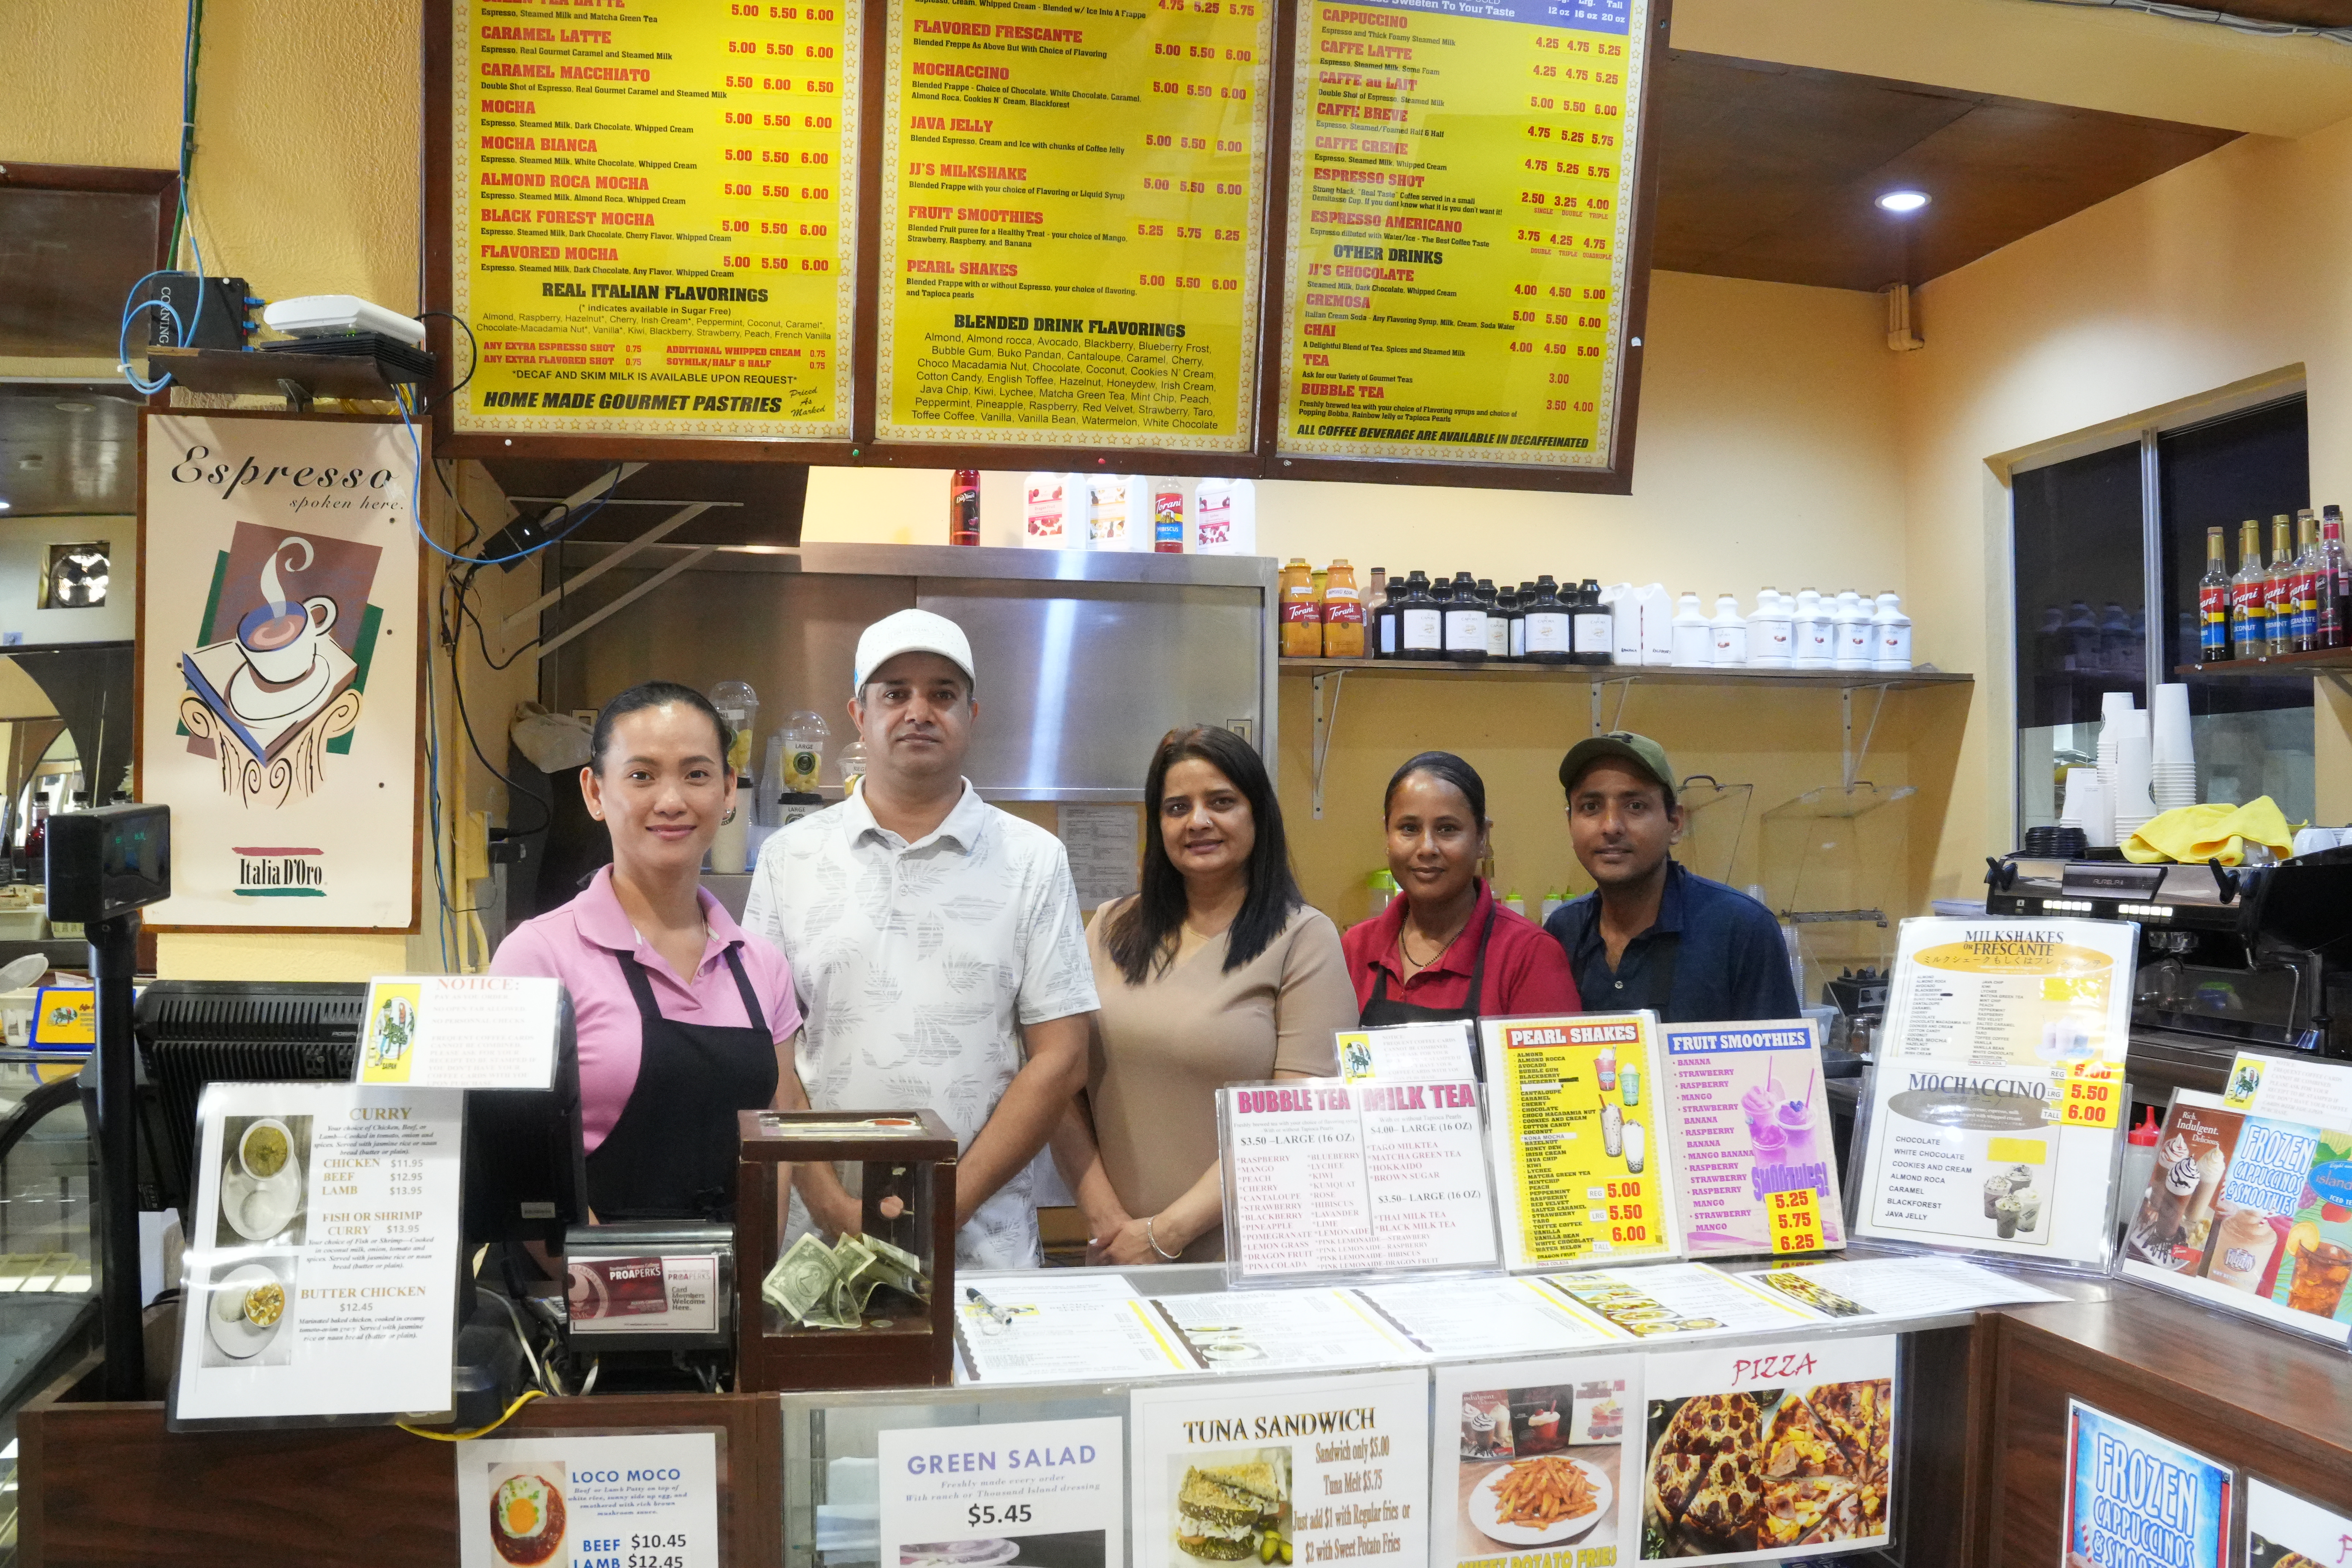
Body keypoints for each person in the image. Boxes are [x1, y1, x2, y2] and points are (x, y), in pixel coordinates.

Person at [741, 609, 1099, 1270]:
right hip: (822, 1246)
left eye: (942, 694)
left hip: (982, 1245)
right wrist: (830, 1203)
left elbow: (1062, 1059)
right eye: (895, 693)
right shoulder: (790, 857)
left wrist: (945, 1204)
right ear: (859, 714)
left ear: (972, 713)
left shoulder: (1033, 859)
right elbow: (766, 1051)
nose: (918, 712)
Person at [492, 682, 801, 1222]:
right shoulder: (537, 957)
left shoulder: (761, 965)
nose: (672, 801)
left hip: (729, 1267)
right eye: (642, 775)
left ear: (729, 790)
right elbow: (518, 1159)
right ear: (594, 792)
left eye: (697, 774)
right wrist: (621, 1271)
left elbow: (776, 1134)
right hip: (576, 1270)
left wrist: (757, 1268)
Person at [1051, 726, 1356, 1265]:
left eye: (1221, 802)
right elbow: (1058, 1081)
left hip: (1248, 1261)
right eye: (1177, 807)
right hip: (1118, 1252)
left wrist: (1165, 1234)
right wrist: (1107, 1222)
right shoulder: (1108, 927)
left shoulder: (1305, 939)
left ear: (1258, 814)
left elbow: (1295, 1119)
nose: (1198, 821)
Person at [1543, 731, 1801, 1023]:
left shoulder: (1742, 929)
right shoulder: (1563, 932)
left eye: (1636, 806)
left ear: (1675, 824)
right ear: (1570, 824)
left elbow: (1778, 1051)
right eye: (1591, 807)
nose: (1611, 827)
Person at [1342, 752, 1582, 1035]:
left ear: (1482, 838)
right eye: (1409, 828)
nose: (1427, 848)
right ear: (1387, 835)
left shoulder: (1528, 954)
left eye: (1447, 829)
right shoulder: (1355, 948)